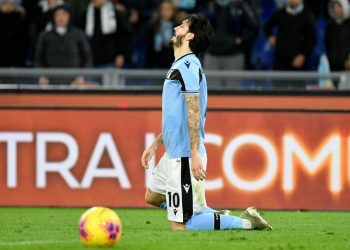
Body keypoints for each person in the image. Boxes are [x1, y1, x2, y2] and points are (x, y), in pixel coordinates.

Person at [141, 14, 272, 231]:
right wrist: (156, 143)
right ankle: (205, 214)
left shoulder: (188, 65)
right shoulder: (182, 64)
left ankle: (247, 222)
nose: (175, 28)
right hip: (174, 152)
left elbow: (193, 110)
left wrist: (194, 153)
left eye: (181, 26)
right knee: (153, 196)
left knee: (181, 226)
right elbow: (178, 114)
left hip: (184, 155)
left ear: (189, 35)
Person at [35, 4, 93, 85]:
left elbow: (87, 58)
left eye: (64, 14)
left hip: (75, 82)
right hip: (50, 81)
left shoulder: (78, 34)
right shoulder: (45, 35)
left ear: (70, 17)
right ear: (53, 17)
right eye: (57, 14)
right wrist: (42, 76)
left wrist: (82, 76)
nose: (60, 17)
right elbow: (38, 59)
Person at [204, 0, 259, 71]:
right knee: (210, 82)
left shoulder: (240, 6)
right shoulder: (210, 6)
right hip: (212, 55)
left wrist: (242, 40)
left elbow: (254, 28)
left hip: (234, 56)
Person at [264, 0, 316, 71]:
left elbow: (311, 39)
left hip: (298, 62)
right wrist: (270, 36)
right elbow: (267, 27)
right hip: (280, 60)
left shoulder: (308, 16)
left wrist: (303, 55)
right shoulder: (280, 13)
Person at [79, 0, 132, 68]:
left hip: (111, 62)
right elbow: (80, 37)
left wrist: (122, 54)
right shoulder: (85, 15)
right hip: (90, 62)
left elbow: (126, 36)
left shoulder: (116, 14)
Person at [145, 0, 186, 68]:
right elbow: (149, 47)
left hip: (173, 61)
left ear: (173, 11)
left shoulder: (178, 27)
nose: (165, 12)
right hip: (155, 61)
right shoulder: (154, 26)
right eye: (163, 9)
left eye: (168, 9)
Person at [325, 0, 350, 72]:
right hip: (333, 65)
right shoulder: (330, 27)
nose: (336, 9)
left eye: (338, 6)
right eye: (334, 7)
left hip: (347, 65)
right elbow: (327, 44)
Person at [0, 0, 26, 67]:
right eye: (5, 3)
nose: (7, 6)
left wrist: (17, 64)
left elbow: (21, 45)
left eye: (10, 4)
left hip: (12, 62)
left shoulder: (18, 21)